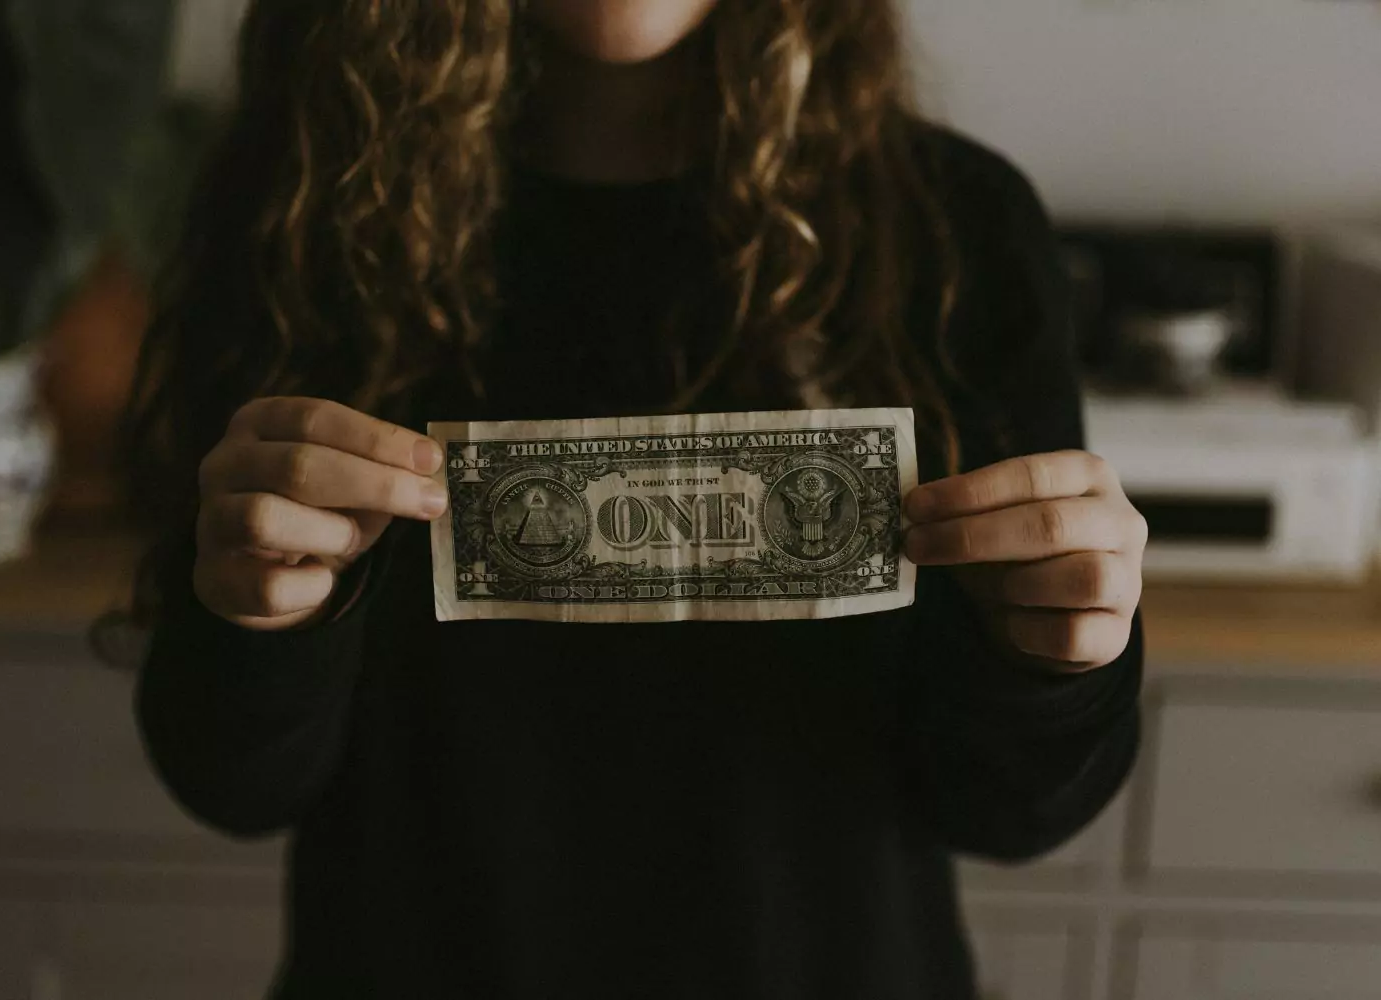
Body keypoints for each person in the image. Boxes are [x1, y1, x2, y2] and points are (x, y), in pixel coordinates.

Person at [126, 2, 1147, 997]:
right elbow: (232, 782)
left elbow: (1009, 811)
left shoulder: (958, 230)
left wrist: (1059, 657)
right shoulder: (299, 211)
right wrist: (257, 619)